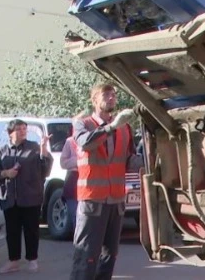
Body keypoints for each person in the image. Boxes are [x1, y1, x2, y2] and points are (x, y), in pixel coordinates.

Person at [70, 83, 139, 280]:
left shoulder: (125, 128)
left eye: (113, 95)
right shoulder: (83, 124)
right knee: (86, 256)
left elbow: (129, 159)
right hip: (93, 200)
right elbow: (86, 143)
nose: (111, 98)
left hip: (116, 200)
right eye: (106, 94)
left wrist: (151, 161)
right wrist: (111, 127)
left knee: (109, 257)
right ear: (94, 100)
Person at [0, 119, 54, 274]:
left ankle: (32, 259)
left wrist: (44, 150)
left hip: (30, 196)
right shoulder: (2, 151)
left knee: (31, 229)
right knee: (12, 231)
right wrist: (6, 173)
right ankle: (13, 261)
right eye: (18, 129)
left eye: (24, 128)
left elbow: (46, 170)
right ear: (10, 133)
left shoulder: (34, 148)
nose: (23, 131)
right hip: (9, 197)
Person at [61, 125, 79, 235]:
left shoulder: (94, 140)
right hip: (73, 182)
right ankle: (79, 243)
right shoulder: (70, 141)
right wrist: (78, 161)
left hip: (90, 184)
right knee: (76, 216)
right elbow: (63, 163)